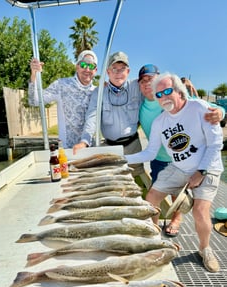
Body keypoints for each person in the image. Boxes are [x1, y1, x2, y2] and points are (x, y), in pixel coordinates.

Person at [126, 72, 223, 273]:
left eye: (168, 91)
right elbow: (150, 152)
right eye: (159, 94)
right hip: (179, 167)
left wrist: (201, 171)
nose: (164, 97)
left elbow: (215, 144)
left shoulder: (199, 108)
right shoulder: (160, 122)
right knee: (151, 198)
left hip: (208, 166)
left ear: (179, 91)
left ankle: (205, 249)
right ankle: (154, 241)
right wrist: (121, 159)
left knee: (199, 210)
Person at [138, 64, 225, 236]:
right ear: (139, 86)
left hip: (183, 158)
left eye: (151, 79)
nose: (147, 83)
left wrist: (220, 113)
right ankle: (153, 234)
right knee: (154, 196)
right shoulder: (141, 106)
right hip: (159, 158)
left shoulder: (181, 99)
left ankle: (176, 221)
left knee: (182, 200)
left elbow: (211, 109)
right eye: (143, 81)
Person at [73, 51, 147, 184]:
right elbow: (92, 117)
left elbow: (155, 85)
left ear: (128, 71)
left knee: (137, 187)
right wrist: (84, 141)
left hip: (133, 147)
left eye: (122, 69)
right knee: (114, 187)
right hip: (110, 149)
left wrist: (181, 84)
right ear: (108, 72)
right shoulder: (99, 92)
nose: (118, 72)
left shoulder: (137, 86)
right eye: (114, 69)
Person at [28, 50, 98, 148]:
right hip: (67, 150)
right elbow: (34, 100)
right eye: (83, 65)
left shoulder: (97, 91)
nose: (87, 69)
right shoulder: (61, 85)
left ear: (95, 70)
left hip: (92, 149)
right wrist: (34, 74)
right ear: (77, 66)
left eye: (91, 66)